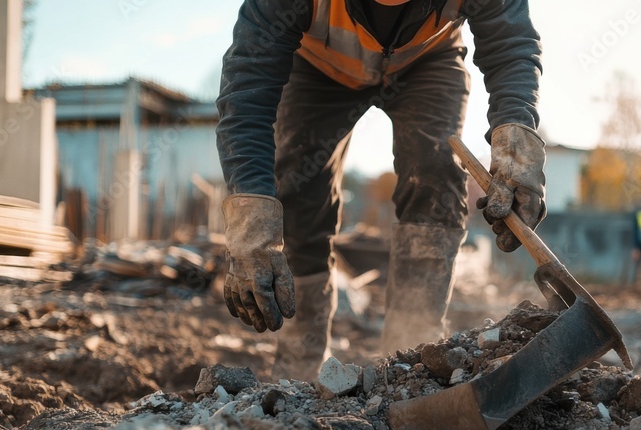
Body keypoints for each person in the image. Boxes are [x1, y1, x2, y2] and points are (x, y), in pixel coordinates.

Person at [217, 0, 547, 380]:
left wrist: (517, 138)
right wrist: (250, 215)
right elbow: (246, 97)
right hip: (317, 69)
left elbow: (511, 45)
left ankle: (414, 360)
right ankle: (301, 365)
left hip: (428, 61)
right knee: (300, 190)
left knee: (435, 170)